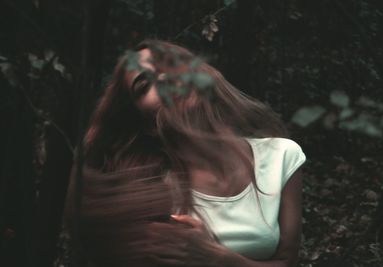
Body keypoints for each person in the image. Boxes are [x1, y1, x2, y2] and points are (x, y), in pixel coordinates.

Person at [65, 39, 306, 267]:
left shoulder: (282, 155)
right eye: (145, 84)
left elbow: (287, 261)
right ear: (146, 126)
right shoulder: (150, 191)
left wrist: (215, 257)